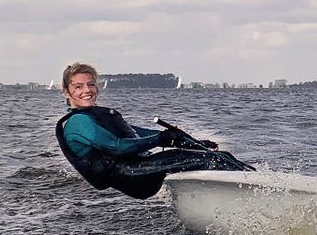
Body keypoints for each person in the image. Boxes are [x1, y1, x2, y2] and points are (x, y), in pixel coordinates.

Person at [55, 62, 252, 199]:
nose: (87, 90)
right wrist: (161, 139)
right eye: (78, 86)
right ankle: (254, 189)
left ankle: (255, 179)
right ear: (66, 91)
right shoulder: (78, 122)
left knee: (217, 155)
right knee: (212, 160)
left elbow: (137, 133)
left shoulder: (96, 116)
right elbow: (117, 147)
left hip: (138, 167)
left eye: (90, 84)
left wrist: (183, 140)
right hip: (130, 174)